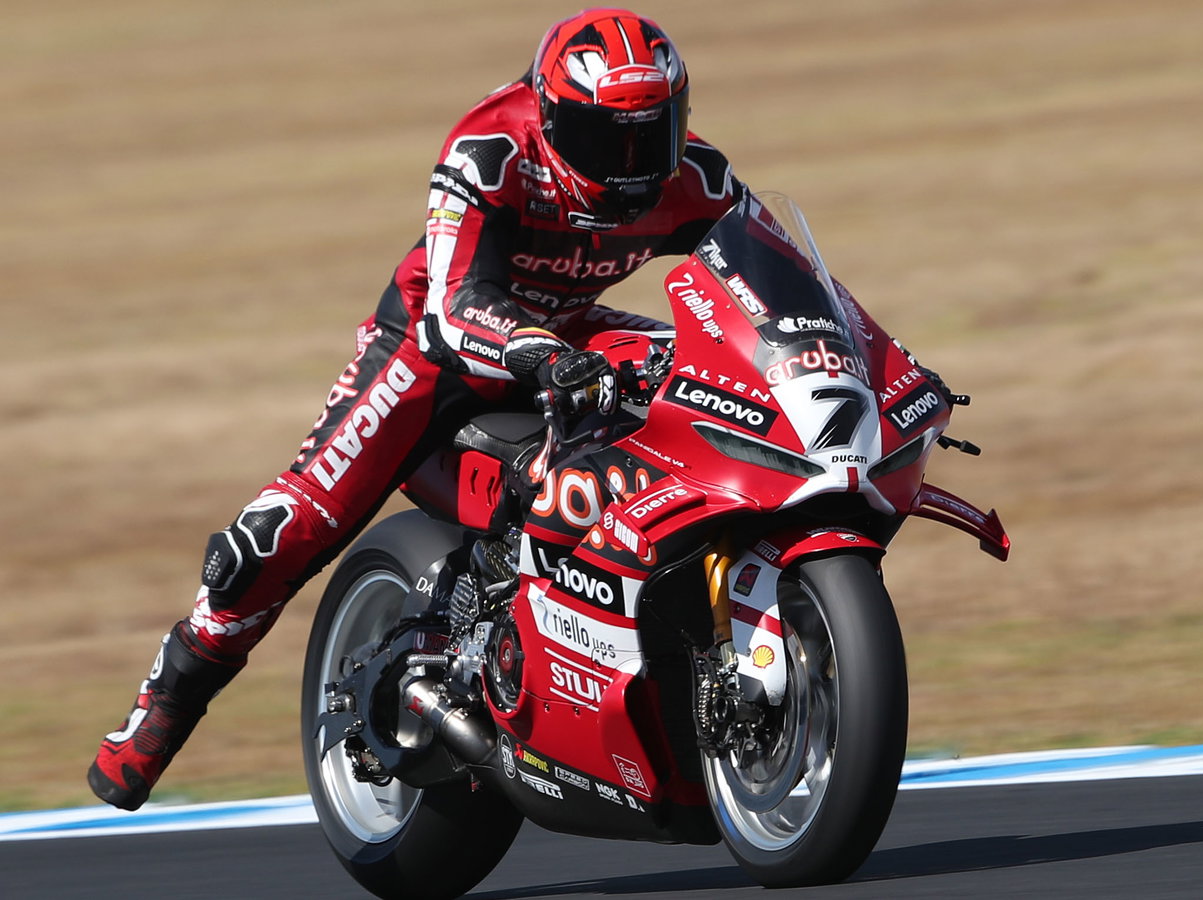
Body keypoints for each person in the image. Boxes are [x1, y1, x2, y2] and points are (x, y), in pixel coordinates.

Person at [89, 8, 746, 811]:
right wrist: (533, 350)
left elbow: (768, 289)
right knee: (270, 542)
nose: (635, 166)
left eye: (655, 133)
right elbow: (455, 300)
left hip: (574, 338)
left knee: (717, 385)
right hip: (435, 351)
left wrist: (857, 354)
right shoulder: (492, 151)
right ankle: (166, 701)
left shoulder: (698, 178)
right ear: (551, 116)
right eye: (609, 141)